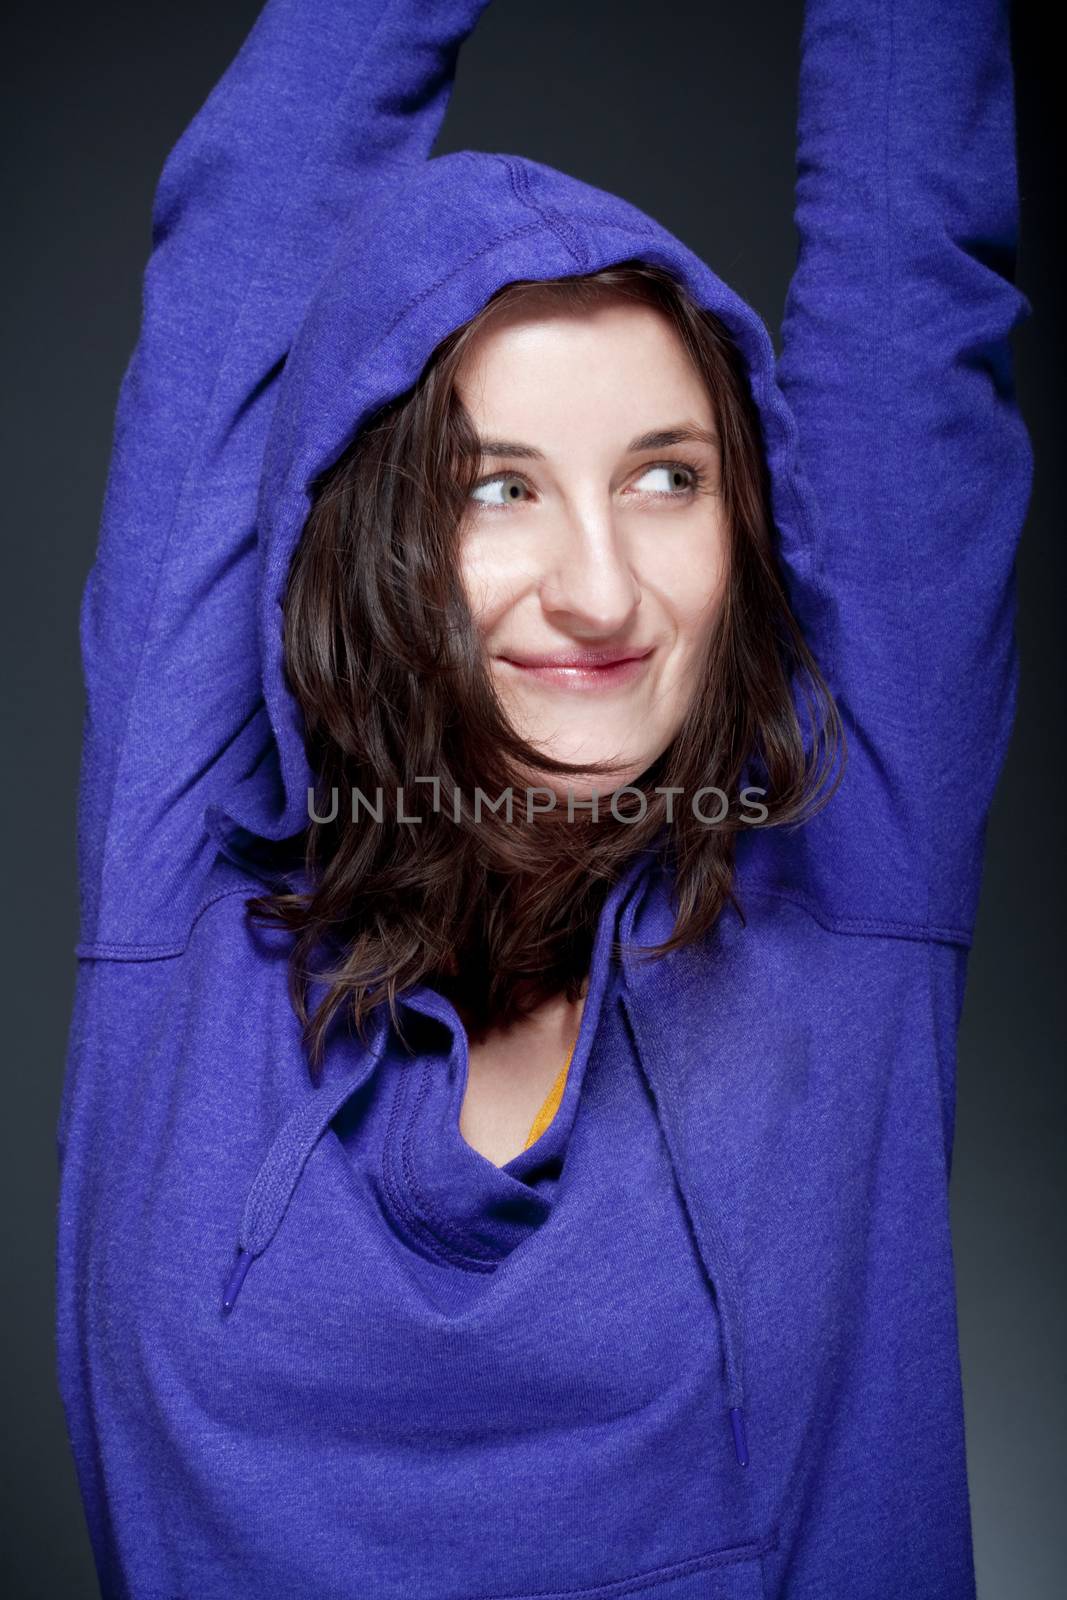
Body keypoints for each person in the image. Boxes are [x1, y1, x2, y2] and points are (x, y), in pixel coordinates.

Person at [55, 1, 1032, 1596]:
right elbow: (249, 223)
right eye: (497, 486)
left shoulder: (852, 853)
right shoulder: (182, 883)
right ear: (356, 529)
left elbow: (910, 254)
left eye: (671, 476)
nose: (602, 589)